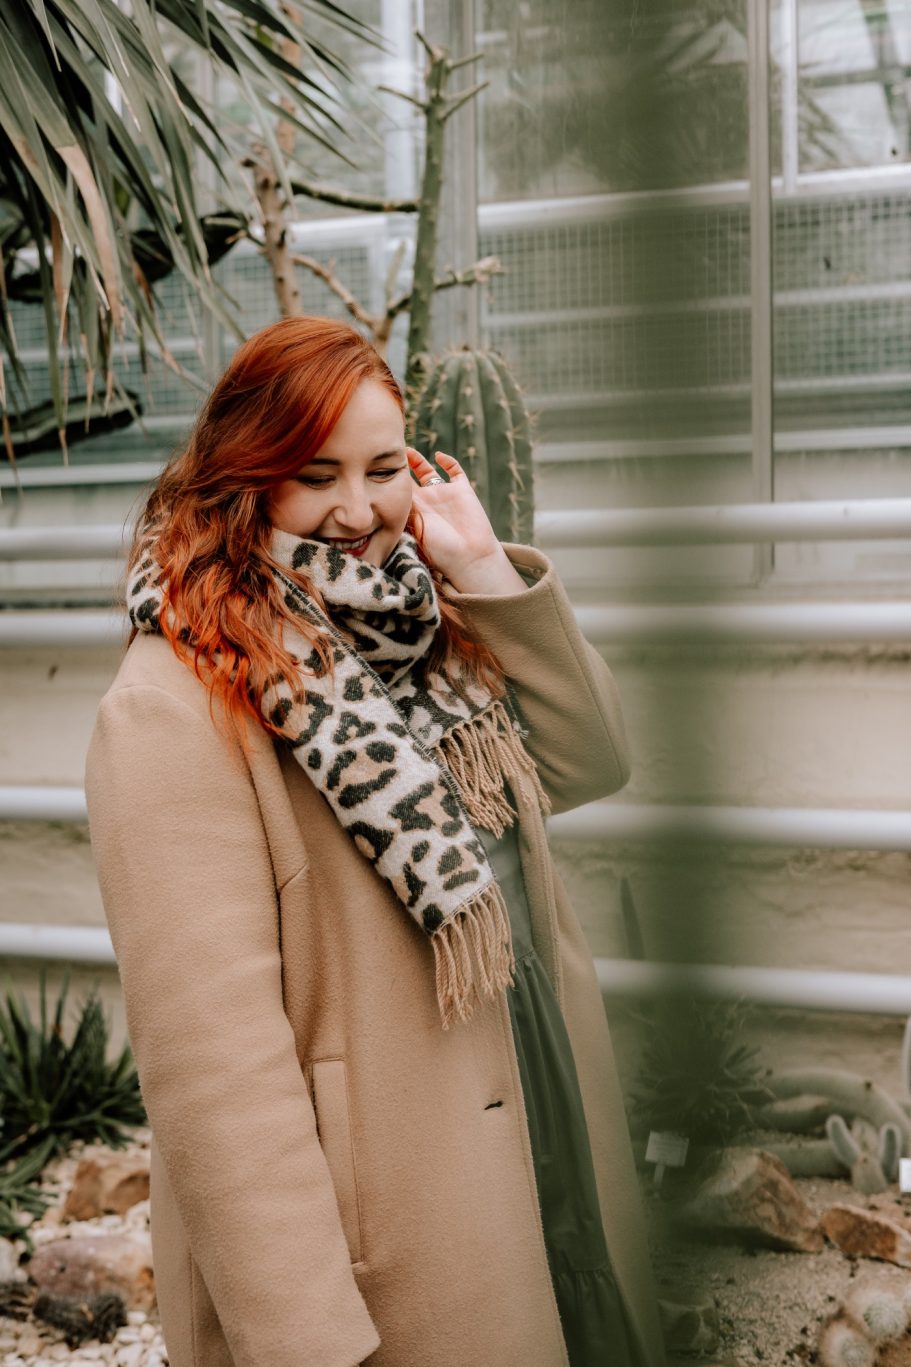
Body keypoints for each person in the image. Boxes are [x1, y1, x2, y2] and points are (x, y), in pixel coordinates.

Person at [85, 316, 667, 1367]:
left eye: (382, 467)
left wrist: (484, 563)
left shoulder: (431, 626)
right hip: (387, 1231)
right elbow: (218, 1082)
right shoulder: (173, 703)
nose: (359, 511)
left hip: (539, 1126)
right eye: (315, 474)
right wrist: (307, 1339)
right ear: (244, 479)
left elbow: (589, 758)